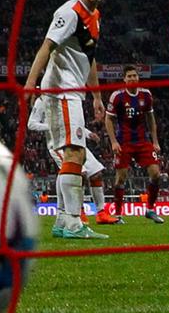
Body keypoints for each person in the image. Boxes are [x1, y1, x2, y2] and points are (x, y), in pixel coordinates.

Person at [24, 0, 110, 240]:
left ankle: (62, 220)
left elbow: (90, 58)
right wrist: (29, 84)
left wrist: (96, 96)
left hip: (75, 91)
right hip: (60, 90)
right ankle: (73, 221)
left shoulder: (95, 16)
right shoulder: (69, 12)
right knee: (74, 154)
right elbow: (46, 46)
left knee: (75, 156)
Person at [26, 96, 111, 231]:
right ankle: (79, 212)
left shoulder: (69, 99)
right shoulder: (42, 101)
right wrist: (52, 126)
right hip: (57, 144)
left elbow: (73, 124)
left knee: (96, 173)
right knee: (79, 173)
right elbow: (31, 124)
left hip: (76, 142)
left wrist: (88, 134)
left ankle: (101, 213)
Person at [105, 65, 166, 224]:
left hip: (142, 141)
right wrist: (113, 142)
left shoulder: (146, 95)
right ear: (124, 79)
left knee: (156, 174)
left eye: (134, 76)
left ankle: (150, 209)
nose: (132, 78)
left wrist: (155, 141)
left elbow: (151, 119)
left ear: (138, 78)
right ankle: (118, 214)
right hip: (123, 142)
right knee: (121, 179)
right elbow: (108, 119)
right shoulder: (117, 96)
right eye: (129, 76)